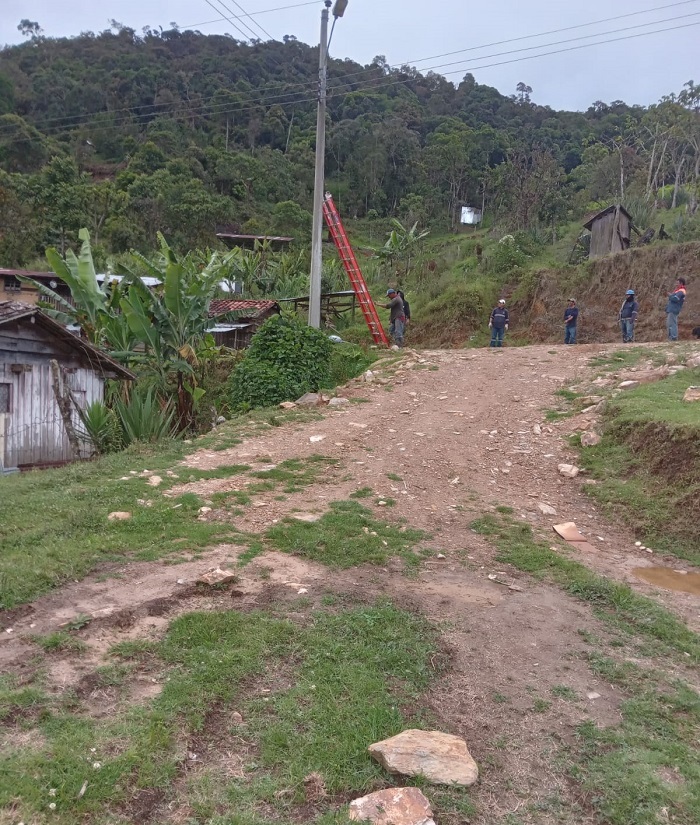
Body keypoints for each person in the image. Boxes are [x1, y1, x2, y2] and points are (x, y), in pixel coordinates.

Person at [666, 277, 687, 342]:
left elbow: (676, 299)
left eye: (677, 283)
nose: (676, 284)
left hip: (674, 309)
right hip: (672, 309)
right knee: (670, 324)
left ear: (681, 283)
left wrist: (670, 295)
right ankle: (671, 338)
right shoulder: (678, 290)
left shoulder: (681, 291)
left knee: (672, 324)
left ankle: (673, 337)